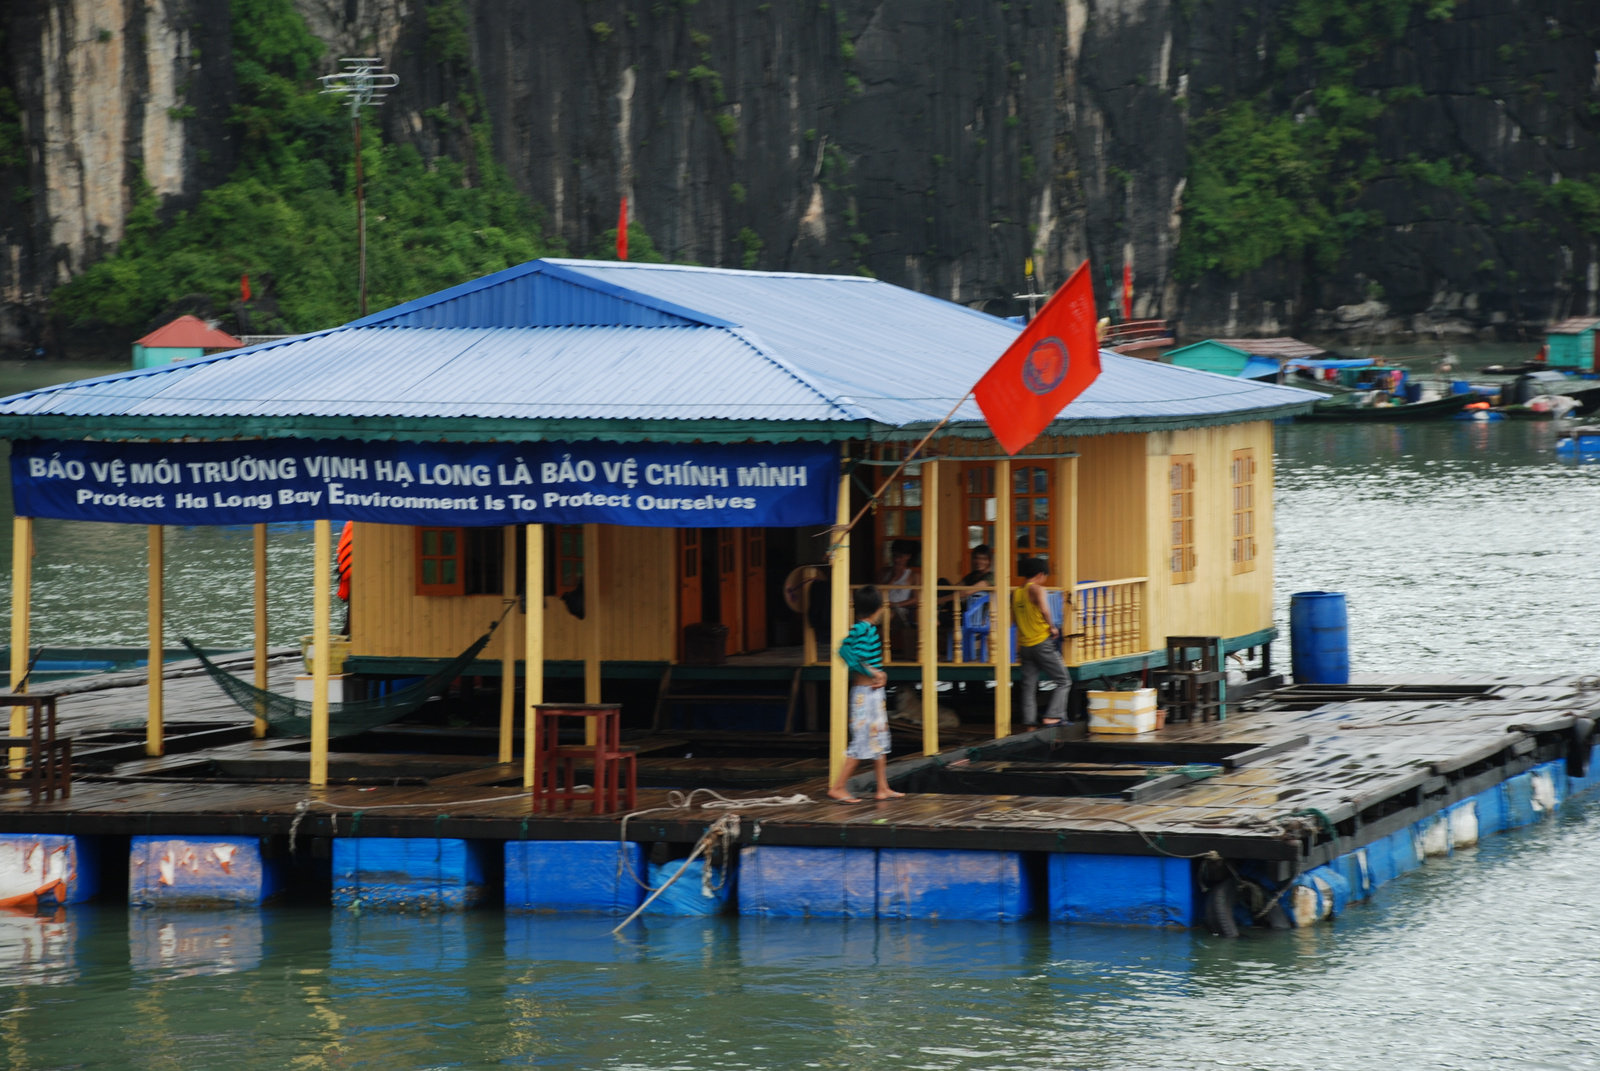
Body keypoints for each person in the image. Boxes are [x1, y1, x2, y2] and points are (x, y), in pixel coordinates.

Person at [828, 586, 903, 803]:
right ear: (878, 609)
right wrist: (872, 672)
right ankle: (839, 787)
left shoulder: (867, 628)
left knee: (879, 738)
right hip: (863, 694)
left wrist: (878, 673)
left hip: (873, 694)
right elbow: (844, 651)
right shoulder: (861, 629)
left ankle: (882, 787)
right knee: (861, 741)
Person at [1013, 557, 1071, 727]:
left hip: (1025, 645)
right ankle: (1053, 716)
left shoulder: (1016, 593)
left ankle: (1029, 722)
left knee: (1029, 687)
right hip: (1042, 643)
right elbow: (1045, 610)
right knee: (1064, 680)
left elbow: (1015, 620)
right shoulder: (1038, 589)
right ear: (1040, 574)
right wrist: (1052, 627)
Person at [879, 539, 921, 661]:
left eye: (900, 557)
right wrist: (892, 578)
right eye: (894, 556)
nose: (896, 560)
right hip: (882, 608)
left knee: (889, 616)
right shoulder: (884, 573)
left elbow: (916, 599)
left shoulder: (914, 576)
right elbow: (877, 593)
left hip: (900, 611)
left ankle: (870, 647)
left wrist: (895, 605)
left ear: (908, 557)